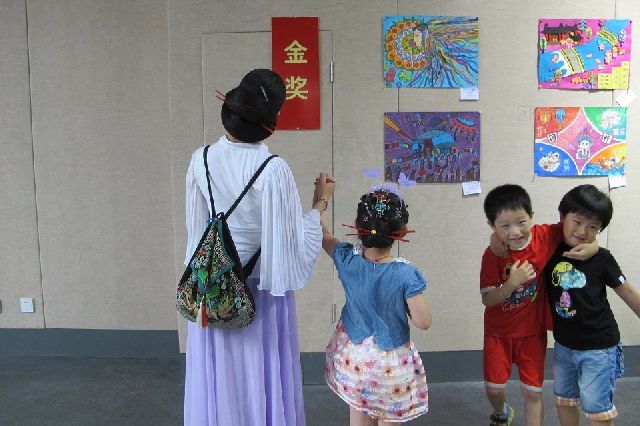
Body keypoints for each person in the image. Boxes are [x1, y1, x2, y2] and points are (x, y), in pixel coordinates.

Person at [183, 68, 336, 426]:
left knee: (219, 375)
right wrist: (320, 204)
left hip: (214, 286)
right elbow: (289, 242)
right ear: (272, 121)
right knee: (260, 369)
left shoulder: (200, 159)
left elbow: (197, 234)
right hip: (259, 289)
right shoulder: (272, 169)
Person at [480, 184, 597, 426]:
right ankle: (501, 413)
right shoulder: (492, 255)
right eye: (504, 226)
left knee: (533, 392)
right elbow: (488, 300)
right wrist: (512, 283)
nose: (515, 231)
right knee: (493, 388)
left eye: (521, 222)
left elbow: (574, 231)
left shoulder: (544, 236)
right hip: (498, 334)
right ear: (492, 226)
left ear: (532, 216)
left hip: (533, 333)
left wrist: (594, 247)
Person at [320, 185, 431, 425]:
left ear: (359, 228)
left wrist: (322, 198)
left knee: (358, 417)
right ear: (400, 232)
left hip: (354, 361)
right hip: (389, 368)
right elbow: (424, 322)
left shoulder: (346, 259)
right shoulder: (406, 274)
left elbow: (322, 235)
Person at [545, 185, 640, 426]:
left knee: (596, 409)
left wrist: (596, 247)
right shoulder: (549, 251)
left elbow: (627, 292)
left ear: (600, 230)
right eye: (577, 221)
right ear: (562, 216)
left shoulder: (602, 258)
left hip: (599, 348)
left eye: (592, 227)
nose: (582, 231)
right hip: (564, 345)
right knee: (563, 400)